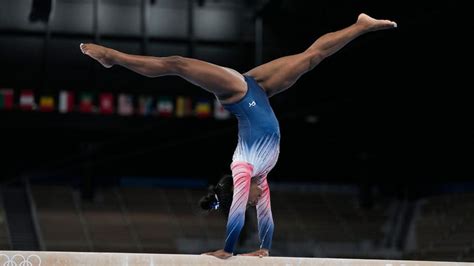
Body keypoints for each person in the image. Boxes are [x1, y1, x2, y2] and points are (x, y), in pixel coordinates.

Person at [80, 13, 397, 259]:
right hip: (259, 89)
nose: (256, 203)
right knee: (312, 57)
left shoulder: (243, 168)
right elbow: (267, 218)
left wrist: (227, 250)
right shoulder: (264, 176)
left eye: (248, 201)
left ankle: (112, 57)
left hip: (238, 92)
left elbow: (236, 213)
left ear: (242, 193)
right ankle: (360, 26)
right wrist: (264, 248)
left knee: (176, 64)